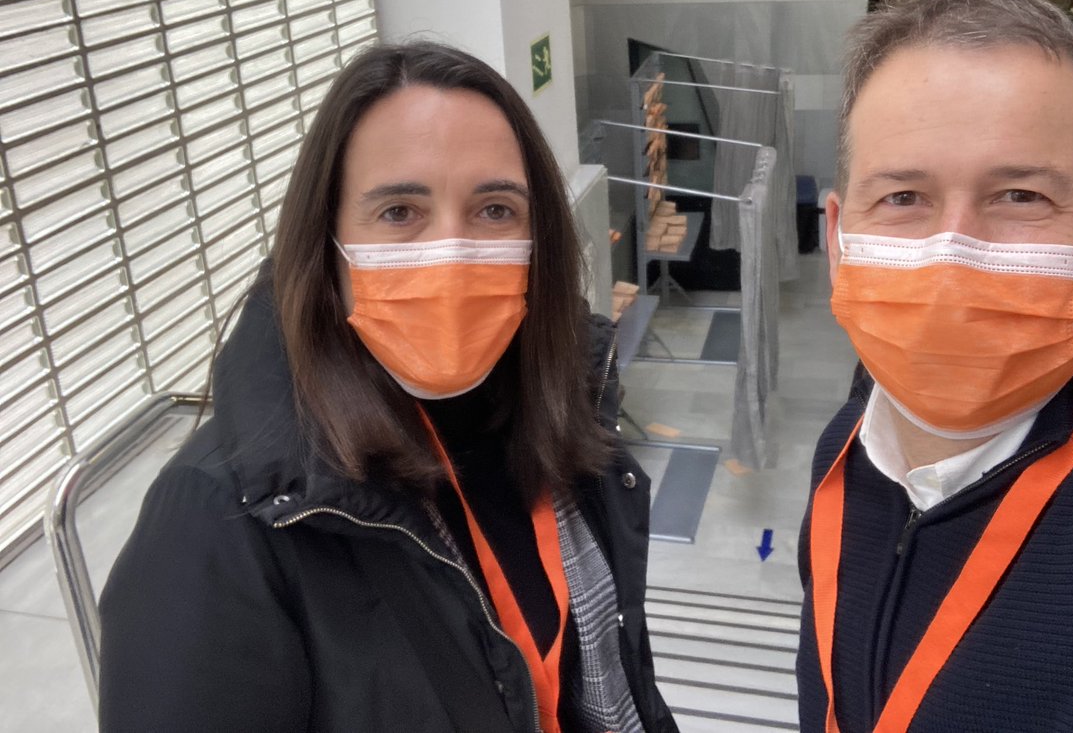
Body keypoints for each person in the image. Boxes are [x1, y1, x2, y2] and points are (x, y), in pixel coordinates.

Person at [99, 42, 680, 733]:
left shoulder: (563, 411)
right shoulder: (217, 522)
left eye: (495, 210)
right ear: (326, 243)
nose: (452, 252)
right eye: (400, 212)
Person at [797, 0, 1073, 730]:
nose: (953, 251)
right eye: (903, 197)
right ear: (837, 238)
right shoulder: (842, 456)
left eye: (1020, 195)